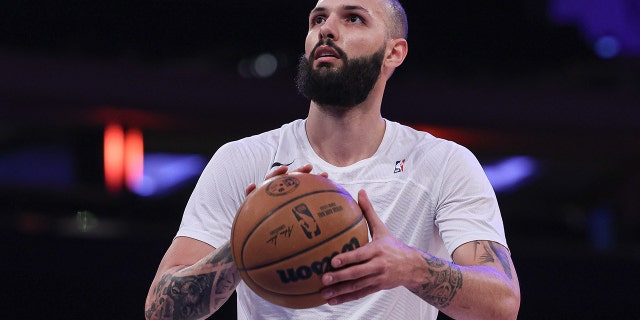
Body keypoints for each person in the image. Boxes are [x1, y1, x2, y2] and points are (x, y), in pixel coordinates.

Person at [145, 0, 521, 319]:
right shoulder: (243, 159)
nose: (327, 30)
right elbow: (159, 309)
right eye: (318, 19)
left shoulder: (443, 163)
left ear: (394, 52)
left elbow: (503, 303)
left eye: (353, 18)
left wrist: (411, 267)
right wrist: (242, 244)